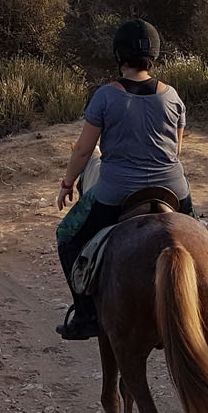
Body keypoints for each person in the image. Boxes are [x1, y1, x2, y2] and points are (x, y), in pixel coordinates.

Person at [53, 19, 192, 340]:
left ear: (119, 54)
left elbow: (85, 149)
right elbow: (178, 148)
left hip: (117, 190)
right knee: (201, 236)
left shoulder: (105, 96)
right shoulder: (173, 96)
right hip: (173, 187)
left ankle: (86, 314)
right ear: (153, 55)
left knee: (67, 238)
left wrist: (67, 183)